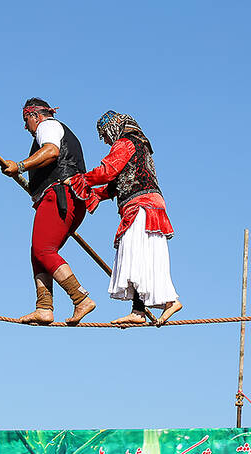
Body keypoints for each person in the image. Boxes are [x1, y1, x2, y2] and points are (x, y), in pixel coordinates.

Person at [67, 111, 182, 325]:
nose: (105, 140)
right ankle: (140, 311)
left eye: (105, 134)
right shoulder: (142, 146)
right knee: (141, 257)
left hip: (141, 207)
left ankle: (167, 301)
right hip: (149, 205)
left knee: (135, 253)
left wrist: (81, 180)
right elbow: (116, 183)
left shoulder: (125, 143)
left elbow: (107, 171)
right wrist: (96, 195)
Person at [3, 98, 95, 325]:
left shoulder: (48, 126)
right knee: (39, 253)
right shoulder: (52, 129)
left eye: (27, 121)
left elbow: (52, 151)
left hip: (60, 195)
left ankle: (80, 298)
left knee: (43, 250)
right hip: (70, 199)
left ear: (35, 115)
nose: (26, 127)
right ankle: (44, 307)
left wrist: (21, 166)